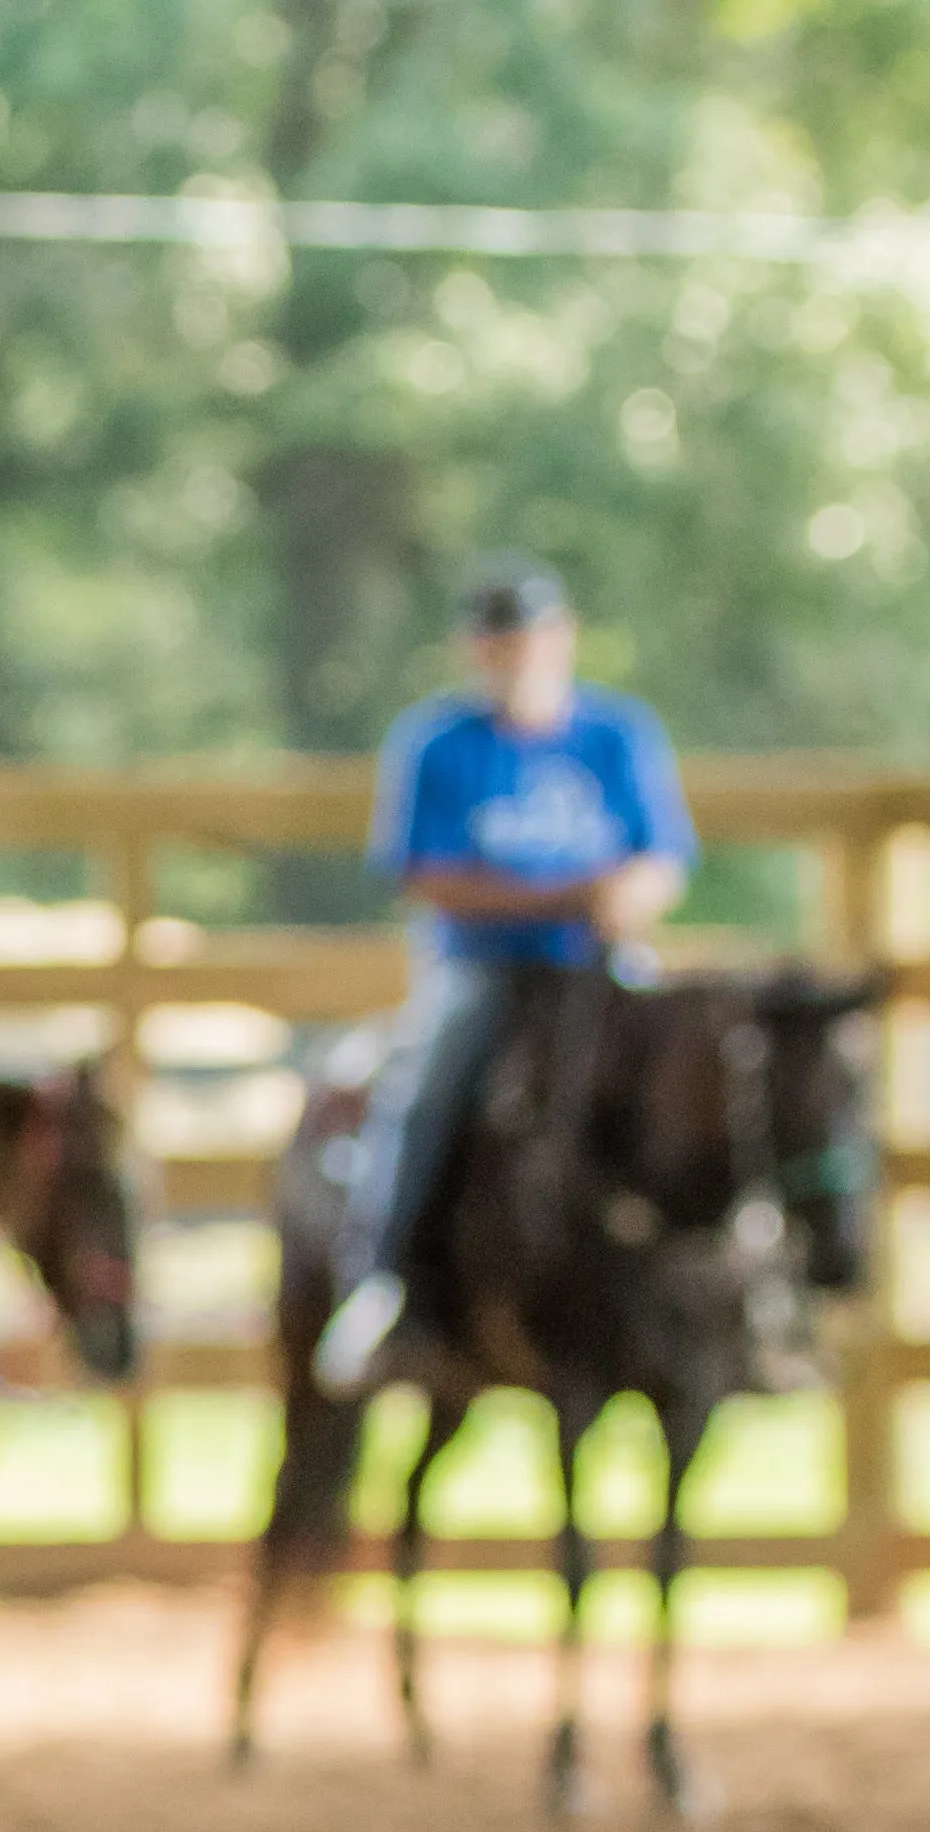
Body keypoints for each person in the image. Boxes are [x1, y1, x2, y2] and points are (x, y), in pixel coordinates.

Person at [311, 555, 696, 1389]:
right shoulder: (440, 745)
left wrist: (627, 894)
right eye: (497, 640)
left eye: (527, 637)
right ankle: (380, 1282)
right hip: (482, 970)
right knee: (424, 1089)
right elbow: (427, 876)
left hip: (602, 967)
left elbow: (662, 857)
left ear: (561, 640)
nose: (514, 654)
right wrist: (567, 896)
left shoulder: (617, 735)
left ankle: (716, 1283)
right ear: (473, 651)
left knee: (694, 1075)